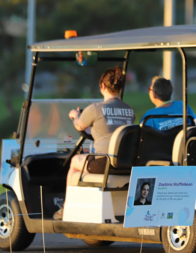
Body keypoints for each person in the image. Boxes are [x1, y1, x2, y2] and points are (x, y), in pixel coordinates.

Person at [53, 66, 135, 220]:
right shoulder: (129, 110)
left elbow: (79, 126)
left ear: (102, 86)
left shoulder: (95, 109)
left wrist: (76, 115)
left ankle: (65, 207)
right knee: (83, 164)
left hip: (104, 163)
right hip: (125, 163)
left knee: (74, 162)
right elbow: (109, 131)